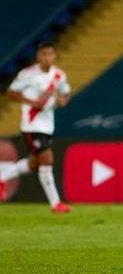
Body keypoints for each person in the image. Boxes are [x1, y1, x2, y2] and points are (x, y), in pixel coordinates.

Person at [0, 42, 71, 213]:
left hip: (47, 125)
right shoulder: (27, 74)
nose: (47, 58)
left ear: (54, 56)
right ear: (38, 56)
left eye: (50, 54)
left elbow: (66, 92)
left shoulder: (59, 76)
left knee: (34, 164)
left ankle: (2, 176)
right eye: (44, 54)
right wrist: (31, 102)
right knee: (47, 158)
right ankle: (56, 204)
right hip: (31, 124)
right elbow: (10, 92)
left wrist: (63, 101)